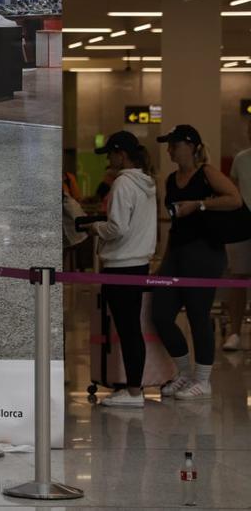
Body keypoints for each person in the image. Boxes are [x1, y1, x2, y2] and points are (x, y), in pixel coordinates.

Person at [153, 125, 244, 401]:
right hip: (177, 251)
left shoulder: (207, 173)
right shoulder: (170, 180)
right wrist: (164, 260)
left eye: (173, 145)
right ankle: (183, 372)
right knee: (161, 313)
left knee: (197, 314)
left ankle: (203, 380)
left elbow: (234, 199)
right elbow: (174, 225)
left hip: (205, 252)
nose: (169, 150)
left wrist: (199, 205)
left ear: (190, 146)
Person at [87, 131, 158, 408]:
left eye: (111, 154)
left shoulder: (122, 184)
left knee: (127, 329)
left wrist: (95, 228)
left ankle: (132, 392)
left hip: (119, 266)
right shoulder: (147, 183)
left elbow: (117, 227)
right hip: (139, 264)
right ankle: (133, 388)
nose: (109, 159)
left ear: (121, 154)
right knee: (132, 329)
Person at [224, 118, 251, 351]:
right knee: (238, 278)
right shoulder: (241, 159)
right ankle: (234, 332)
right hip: (243, 225)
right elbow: (231, 190)